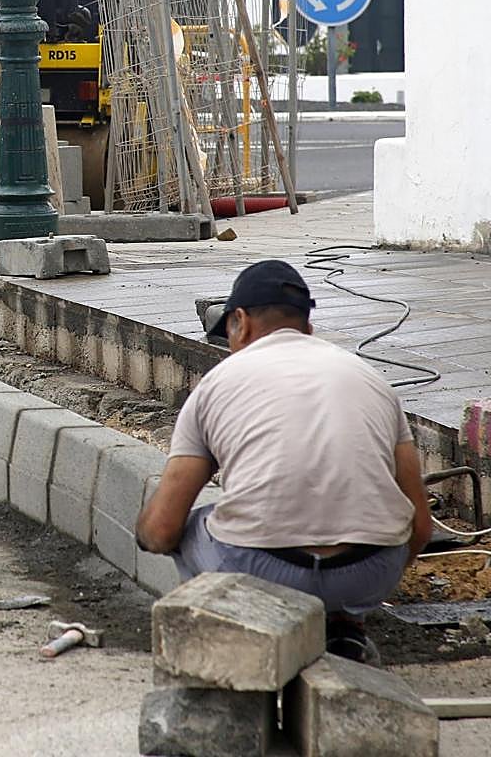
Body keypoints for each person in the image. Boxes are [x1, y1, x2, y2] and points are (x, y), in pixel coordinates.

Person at [135, 259, 432, 663]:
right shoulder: (373, 382)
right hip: (369, 571)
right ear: (306, 327)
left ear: (240, 322)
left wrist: (145, 532)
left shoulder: (217, 385)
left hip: (262, 569)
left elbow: (163, 529)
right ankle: (344, 626)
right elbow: (420, 525)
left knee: (188, 529)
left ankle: (236, 643)